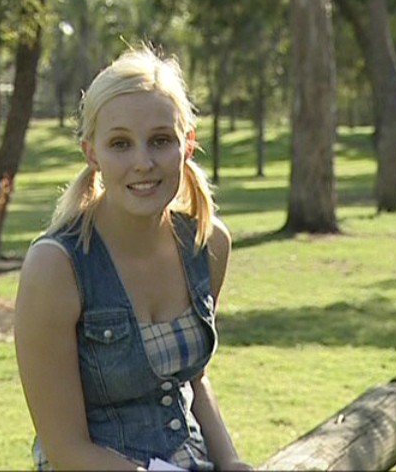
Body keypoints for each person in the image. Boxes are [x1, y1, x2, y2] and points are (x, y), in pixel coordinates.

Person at [13, 45, 251, 471]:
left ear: (187, 145)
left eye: (160, 141)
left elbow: (195, 380)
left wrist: (231, 462)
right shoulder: (56, 267)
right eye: (120, 144)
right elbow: (66, 450)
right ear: (92, 153)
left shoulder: (207, 243)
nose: (143, 162)